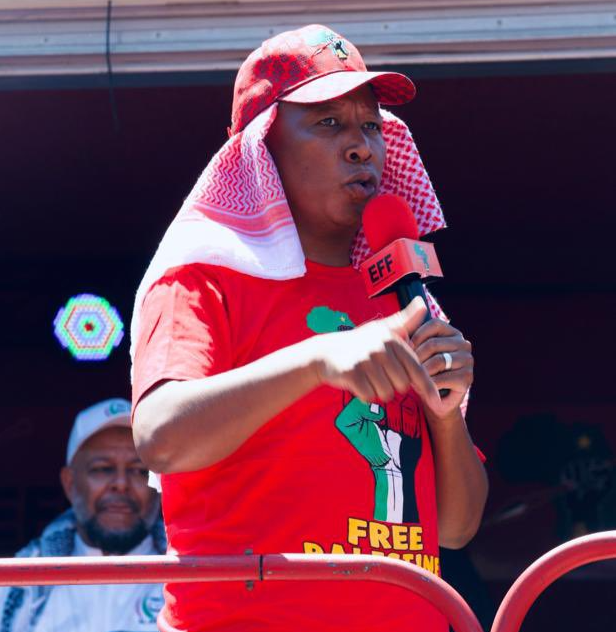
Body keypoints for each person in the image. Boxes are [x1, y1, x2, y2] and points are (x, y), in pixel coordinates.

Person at [131, 24, 488, 632]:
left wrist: (446, 414)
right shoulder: (202, 277)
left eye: (372, 126)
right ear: (262, 150)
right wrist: (319, 360)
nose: (363, 147)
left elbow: (455, 528)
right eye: (329, 123)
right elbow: (161, 438)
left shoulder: (401, 293)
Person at [0, 398, 166, 632]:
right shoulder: (16, 584)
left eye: (139, 470)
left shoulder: (187, 578)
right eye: (103, 468)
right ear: (70, 483)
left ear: (159, 484)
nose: (121, 484)